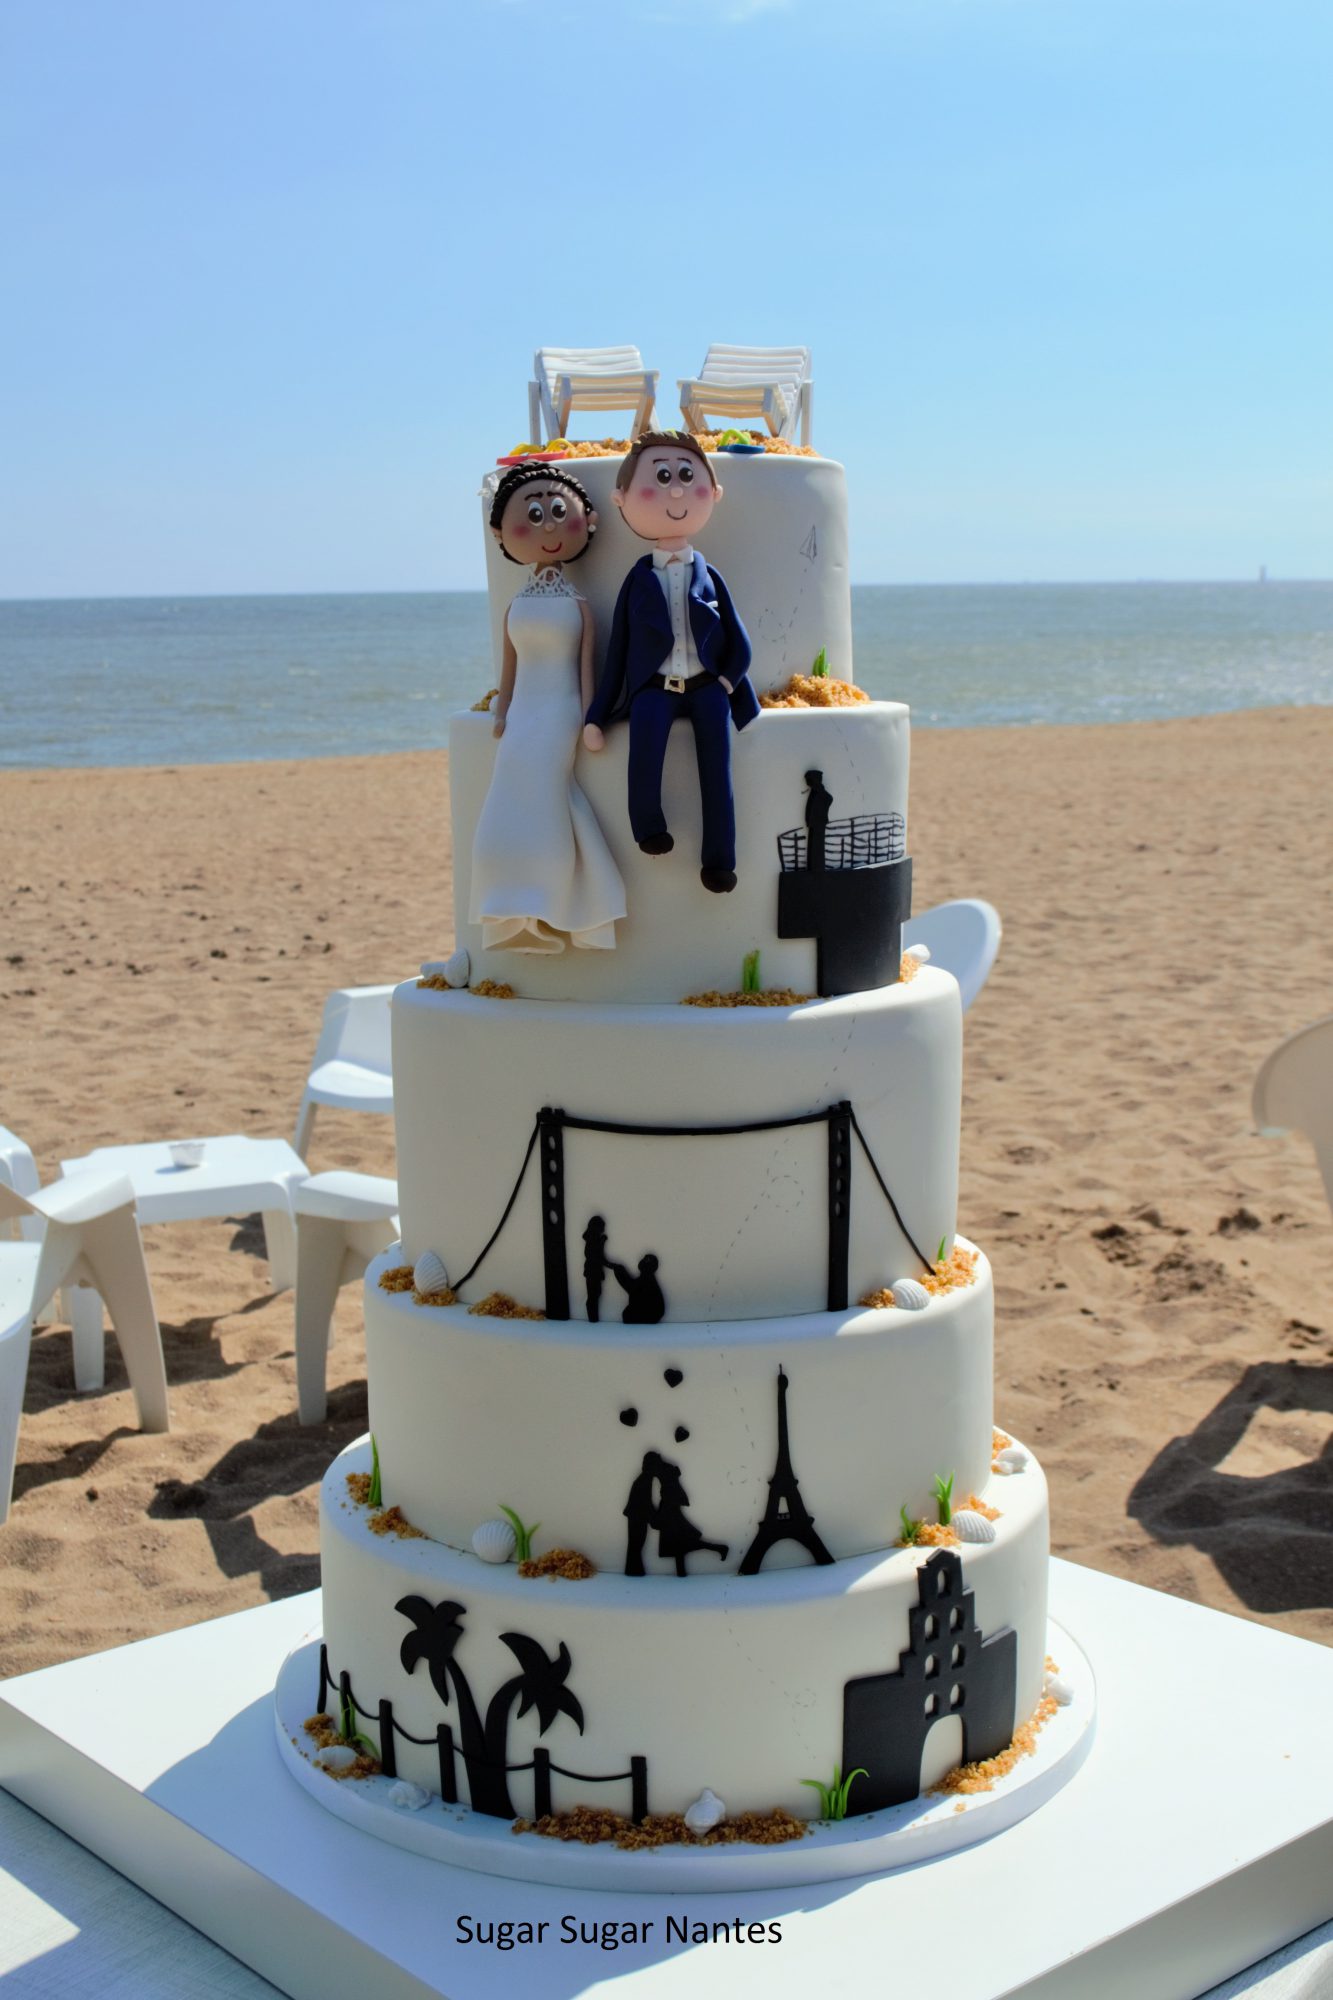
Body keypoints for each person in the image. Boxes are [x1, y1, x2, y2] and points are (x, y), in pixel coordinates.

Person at [582, 431, 757, 894]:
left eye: (685, 477)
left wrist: (726, 681)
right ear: (621, 497)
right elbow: (617, 650)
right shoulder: (638, 579)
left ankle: (719, 861)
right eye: (660, 478)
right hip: (654, 688)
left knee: (717, 773)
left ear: (713, 492)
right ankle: (649, 829)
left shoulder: (709, 574)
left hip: (707, 686)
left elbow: (739, 638)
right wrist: (597, 715)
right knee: (643, 754)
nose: (676, 490)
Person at [470, 465, 626, 953]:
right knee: (509, 795)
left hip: (560, 716)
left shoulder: (578, 605)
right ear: (501, 532)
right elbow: (509, 667)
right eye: (533, 516)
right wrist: (502, 709)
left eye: (559, 512)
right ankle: (515, 903)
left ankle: (552, 901)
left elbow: (586, 668)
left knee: (546, 794)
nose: (549, 527)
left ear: (588, 521)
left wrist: (588, 717)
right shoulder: (515, 606)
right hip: (521, 718)